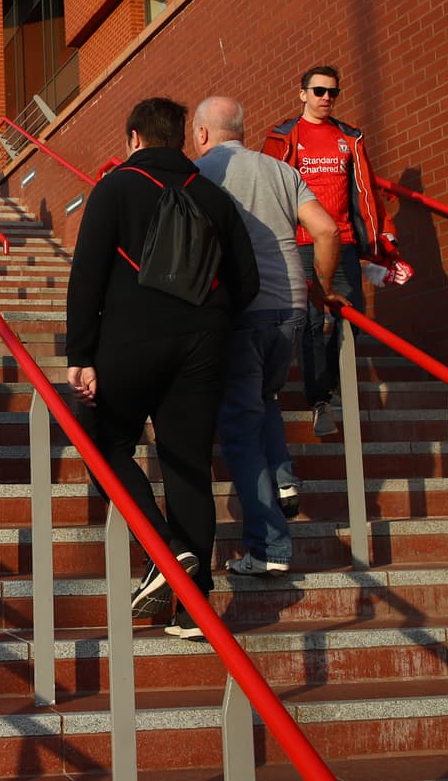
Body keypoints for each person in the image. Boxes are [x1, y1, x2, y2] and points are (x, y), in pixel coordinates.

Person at [65, 97, 259, 632]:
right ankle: (195, 608)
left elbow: (87, 275)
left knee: (105, 445)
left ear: (133, 138)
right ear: (180, 138)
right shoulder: (215, 198)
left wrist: (80, 354)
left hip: (129, 341)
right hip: (204, 345)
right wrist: (212, 322)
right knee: (188, 464)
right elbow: (248, 281)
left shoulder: (115, 187)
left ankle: (166, 551)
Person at [192, 96, 344, 635]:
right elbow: (325, 231)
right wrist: (324, 291)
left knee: (238, 431)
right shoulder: (281, 169)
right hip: (291, 311)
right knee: (266, 399)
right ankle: (282, 482)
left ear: (203, 135)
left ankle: (268, 544)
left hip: (240, 314)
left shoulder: (199, 174)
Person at [260, 65, 399, 438]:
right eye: (319, 91)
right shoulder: (283, 137)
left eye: (332, 92)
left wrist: (383, 237)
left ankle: (337, 385)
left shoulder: (349, 137)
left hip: (344, 242)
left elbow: (366, 191)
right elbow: (269, 188)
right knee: (307, 320)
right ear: (302, 93)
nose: (326, 98)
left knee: (350, 316)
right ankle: (319, 398)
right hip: (302, 242)